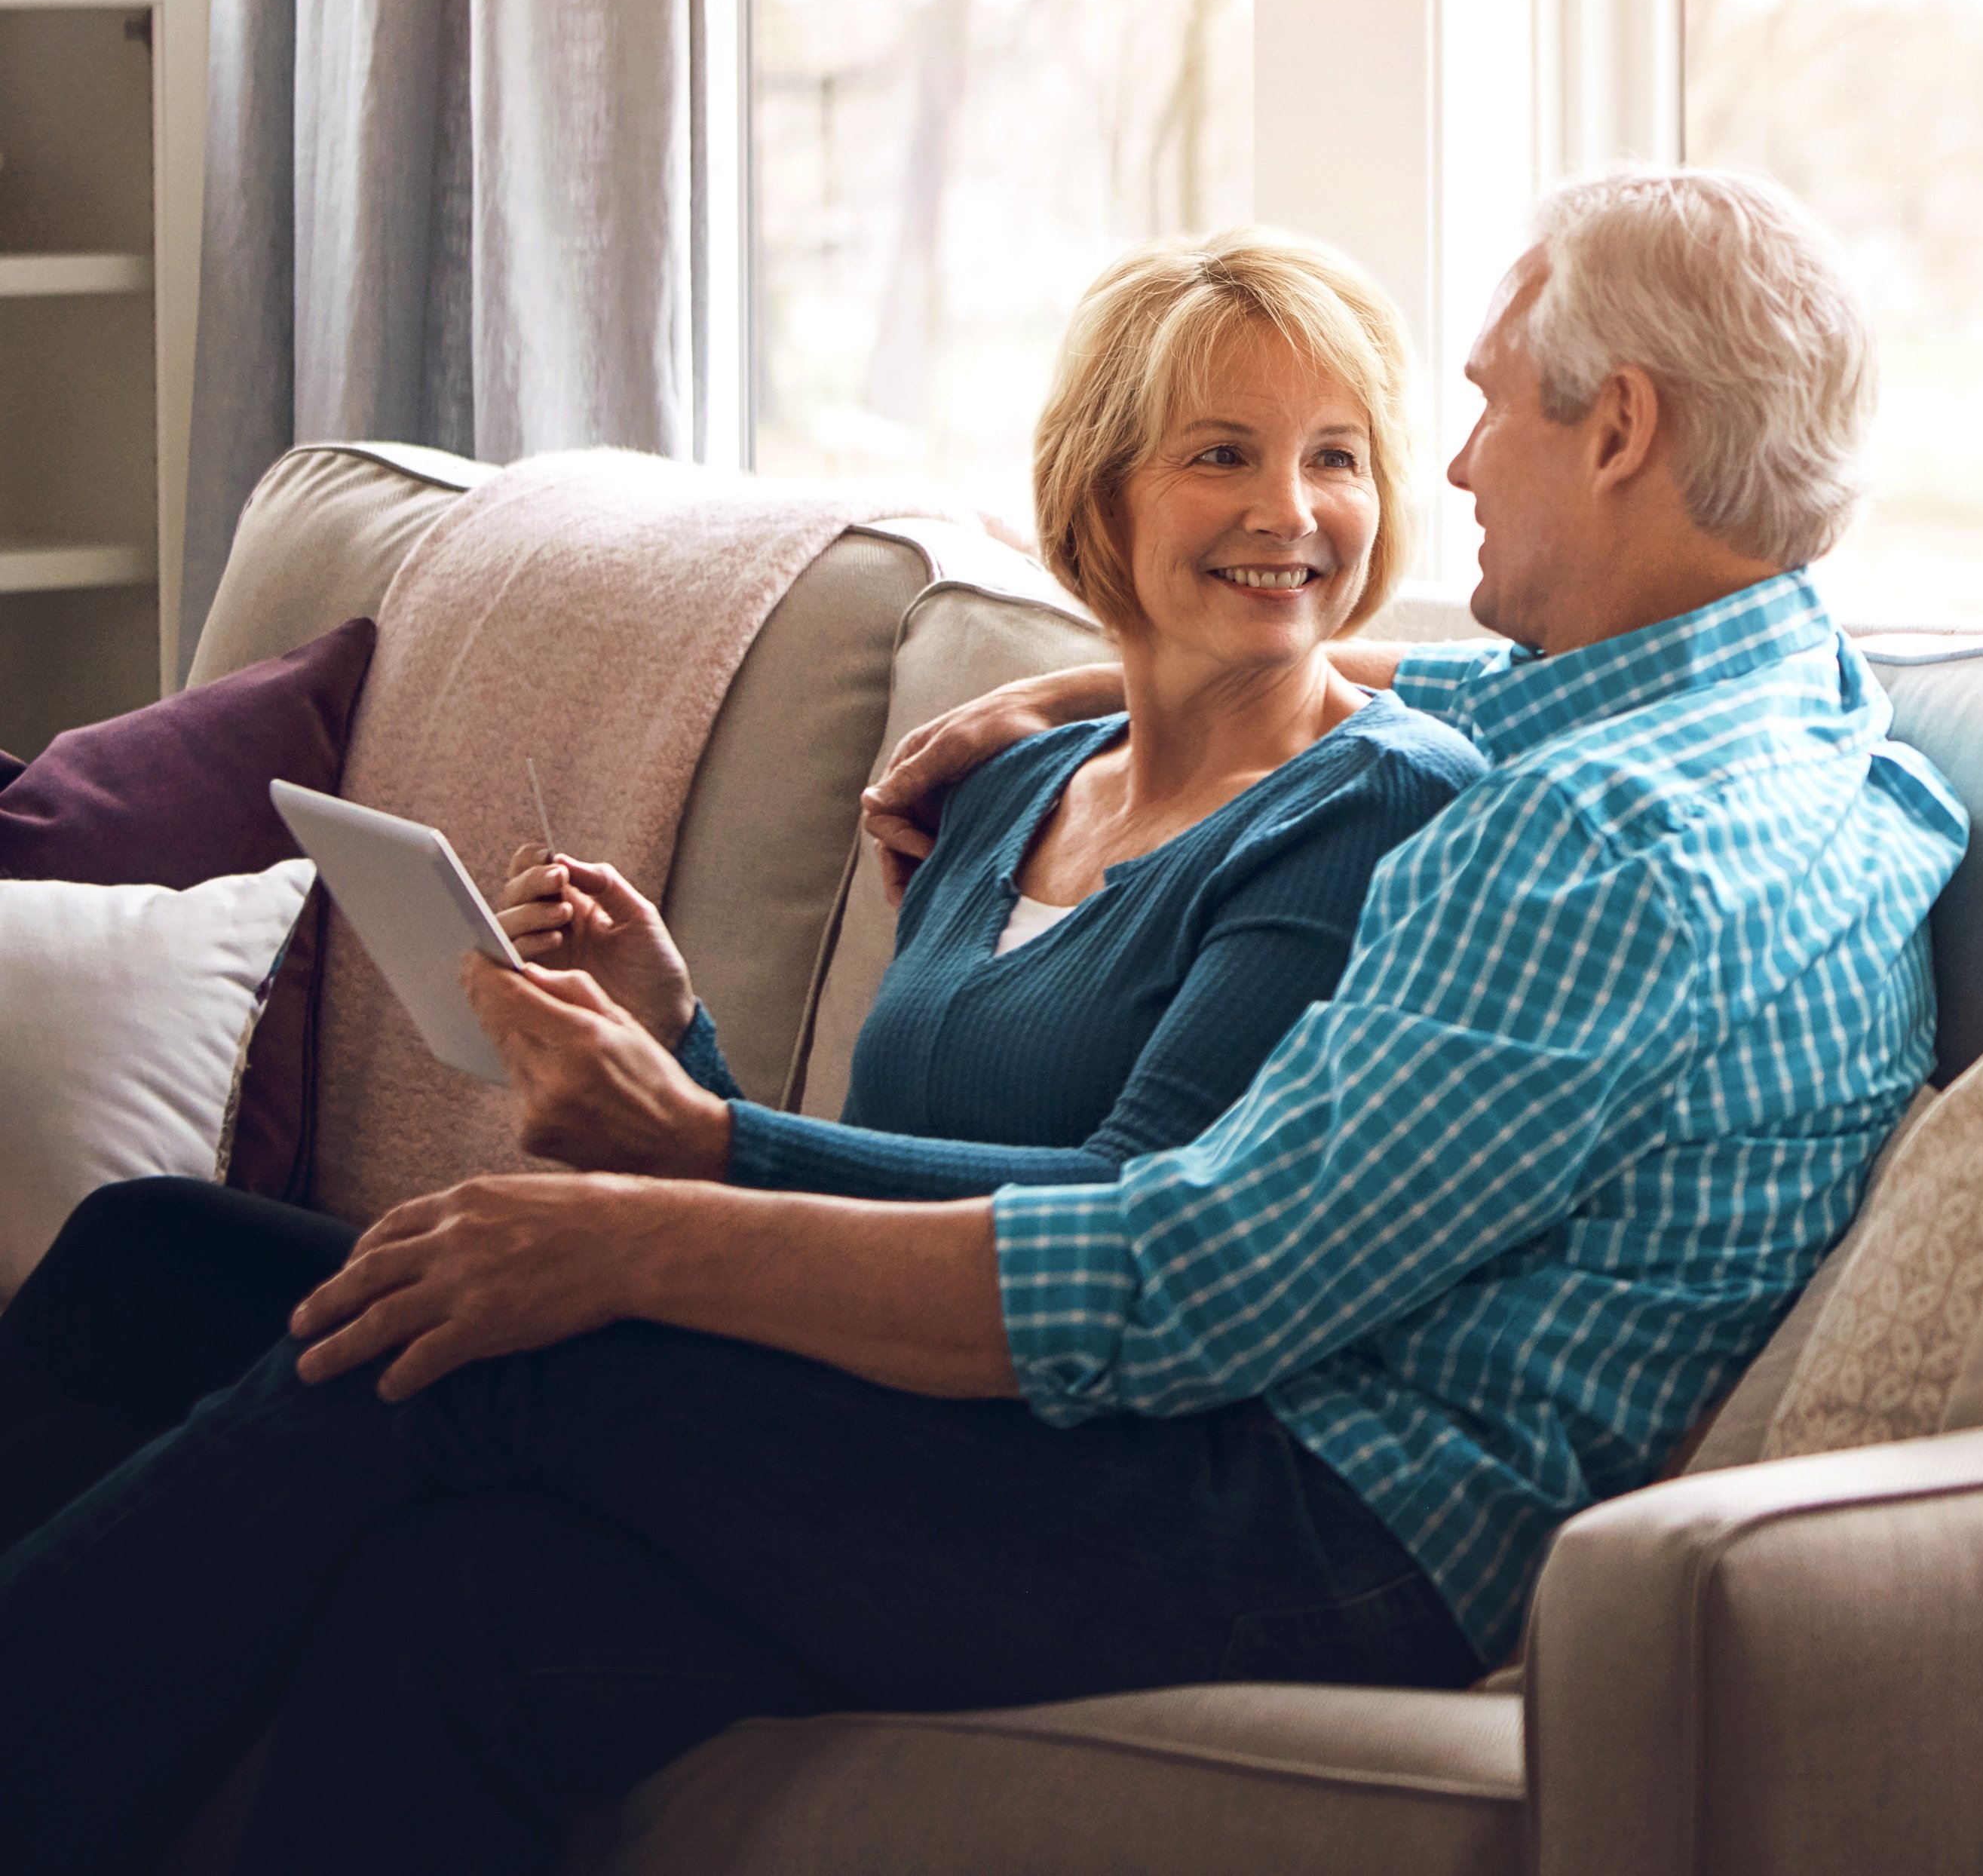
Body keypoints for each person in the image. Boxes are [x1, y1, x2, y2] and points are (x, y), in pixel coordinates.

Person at [0, 167, 1966, 1876]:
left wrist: (643, 1214)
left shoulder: (1584, 844)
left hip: (1315, 1503)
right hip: (1286, 1447)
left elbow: (1191, 1270)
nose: (1454, 466)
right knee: (485, 1601)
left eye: (1466, 413)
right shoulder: (1818, 738)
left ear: (1616, 426)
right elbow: (1424, 721)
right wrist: (1075, 706)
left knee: (470, 1345)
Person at [0, 223, 1481, 1553]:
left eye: (1335, 456)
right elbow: (885, 1157)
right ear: (1099, 490)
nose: (1289, 508)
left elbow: (1132, 1207)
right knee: (153, 1246)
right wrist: (668, 1034)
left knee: (415, 1378)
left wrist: (698, 1137)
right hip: (820, 1340)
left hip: (1017, 1426)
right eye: (1222, 453)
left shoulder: (1367, 802)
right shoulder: (1013, 784)